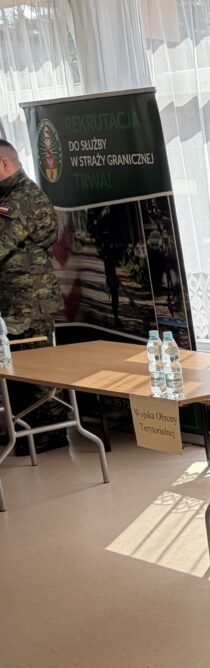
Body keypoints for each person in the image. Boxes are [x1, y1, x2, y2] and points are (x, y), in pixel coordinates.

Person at [0, 138, 67, 454]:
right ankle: (23, 427)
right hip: (15, 300)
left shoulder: (21, 199)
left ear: (3, 164)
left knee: (39, 367)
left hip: (29, 301)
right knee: (15, 368)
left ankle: (52, 430)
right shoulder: (9, 196)